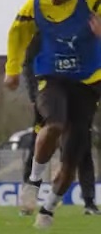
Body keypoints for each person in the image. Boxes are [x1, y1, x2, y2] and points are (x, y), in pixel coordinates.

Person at [5, 0, 101, 228]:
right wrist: (11, 69)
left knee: (72, 154)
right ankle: (33, 181)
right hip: (51, 74)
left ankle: (48, 210)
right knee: (54, 124)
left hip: (88, 80)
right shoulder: (36, 2)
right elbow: (17, 33)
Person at [21, 34, 99, 215]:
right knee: (41, 142)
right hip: (50, 94)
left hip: (81, 95)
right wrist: (35, 95)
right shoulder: (45, 29)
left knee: (80, 149)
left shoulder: (89, 30)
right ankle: (30, 190)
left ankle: (88, 201)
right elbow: (29, 62)